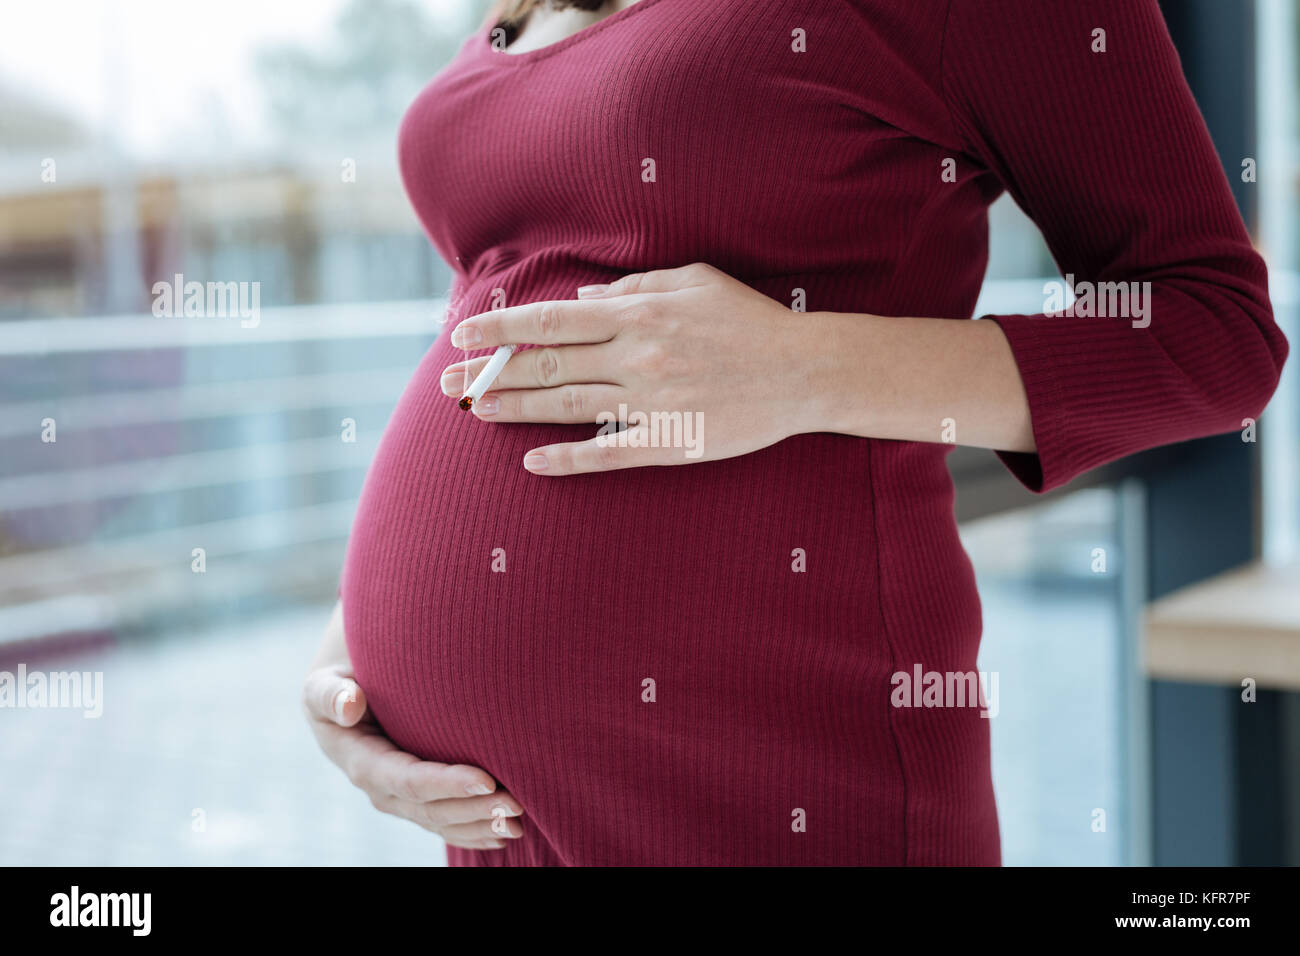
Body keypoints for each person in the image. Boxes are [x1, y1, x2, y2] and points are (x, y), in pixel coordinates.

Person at [303, 0, 1288, 865]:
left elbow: (1215, 335)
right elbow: (508, 301)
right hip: (498, 823)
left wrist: (797, 367)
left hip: (774, 784)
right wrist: (360, 658)